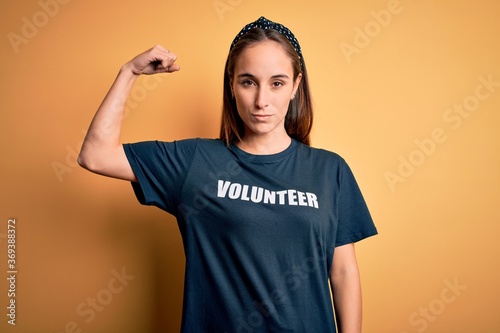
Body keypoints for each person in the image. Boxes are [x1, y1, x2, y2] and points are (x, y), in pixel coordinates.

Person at [78, 16, 377, 333]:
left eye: (277, 83)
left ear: (295, 87)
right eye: (248, 82)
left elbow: (343, 272)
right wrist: (129, 73)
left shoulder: (330, 170)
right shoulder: (195, 161)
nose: (262, 101)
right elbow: (95, 155)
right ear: (232, 85)